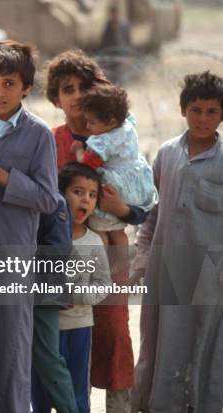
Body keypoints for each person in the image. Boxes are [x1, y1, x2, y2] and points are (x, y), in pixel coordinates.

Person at [45, 50, 143, 412]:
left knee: (115, 333)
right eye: (67, 89)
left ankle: (119, 406)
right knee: (71, 341)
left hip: (111, 258)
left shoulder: (118, 137)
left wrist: (124, 211)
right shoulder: (49, 140)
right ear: (56, 98)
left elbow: (139, 194)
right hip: (64, 257)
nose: (77, 95)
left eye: (85, 87)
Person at [132, 71, 223, 413]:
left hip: (209, 277)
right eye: (196, 109)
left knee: (206, 346)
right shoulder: (167, 154)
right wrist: (142, 257)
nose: (202, 118)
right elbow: (152, 214)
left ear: (221, 115)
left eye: (211, 111)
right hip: (163, 269)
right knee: (159, 342)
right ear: (184, 110)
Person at [0, 40, 58, 412]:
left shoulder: (37, 133)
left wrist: (0, 176)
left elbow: (48, 198)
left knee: (10, 348)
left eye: (9, 83)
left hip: (12, 252)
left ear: (26, 87)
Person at [32, 163, 112, 413]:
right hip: (46, 325)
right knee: (41, 390)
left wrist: (76, 295)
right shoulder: (42, 236)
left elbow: (103, 285)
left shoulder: (94, 241)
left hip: (79, 326)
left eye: (92, 195)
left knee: (77, 389)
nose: (85, 200)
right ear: (60, 193)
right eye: (78, 192)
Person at [71, 83, 158, 249]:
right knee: (119, 232)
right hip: (134, 188)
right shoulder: (127, 126)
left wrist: (78, 150)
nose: (88, 126)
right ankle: (122, 268)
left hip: (112, 189)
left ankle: (101, 264)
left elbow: (87, 163)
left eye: (92, 122)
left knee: (99, 231)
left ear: (110, 122)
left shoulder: (103, 140)